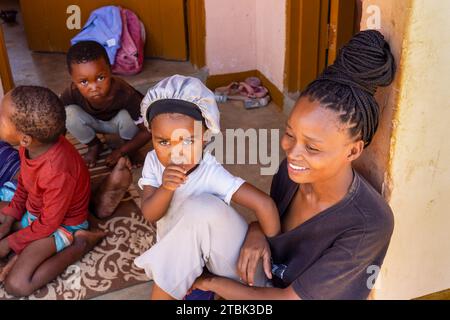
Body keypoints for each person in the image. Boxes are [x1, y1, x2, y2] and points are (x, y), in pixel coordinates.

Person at [190, 30, 396, 300]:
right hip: (266, 282)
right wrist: (255, 230)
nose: (292, 152)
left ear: (354, 150)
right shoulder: (291, 175)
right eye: (289, 134)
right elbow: (272, 224)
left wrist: (213, 284)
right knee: (200, 208)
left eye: (312, 147)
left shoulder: (368, 223)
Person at [134, 75, 281, 300]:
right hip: (185, 256)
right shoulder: (154, 162)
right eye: (163, 142)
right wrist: (166, 187)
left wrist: (267, 244)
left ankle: (254, 283)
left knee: (200, 210)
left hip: (217, 260)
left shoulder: (210, 172)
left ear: (204, 137)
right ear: (151, 138)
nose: (176, 152)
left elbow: (264, 204)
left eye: (187, 140)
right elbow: (151, 213)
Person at [0, 86, 105, 297]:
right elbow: (23, 185)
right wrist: (9, 221)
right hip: (39, 211)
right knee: (8, 219)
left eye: (2, 117)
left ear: (25, 138)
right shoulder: (29, 147)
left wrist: (11, 241)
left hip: (62, 225)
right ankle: (100, 198)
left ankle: (82, 243)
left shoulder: (56, 172)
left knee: (17, 285)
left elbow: (49, 224)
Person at [61, 40, 151, 168]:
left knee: (127, 115)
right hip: (93, 123)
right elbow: (58, 123)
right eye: (84, 82)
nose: (93, 87)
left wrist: (121, 151)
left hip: (117, 124)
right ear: (73, 79)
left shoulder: (124, 92)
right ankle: (94, 145)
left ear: (110, 70)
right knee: (67, 113)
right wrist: (55, 152)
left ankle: (131, 149)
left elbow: (147, 131)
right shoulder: (72, 92)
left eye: (100, 78)